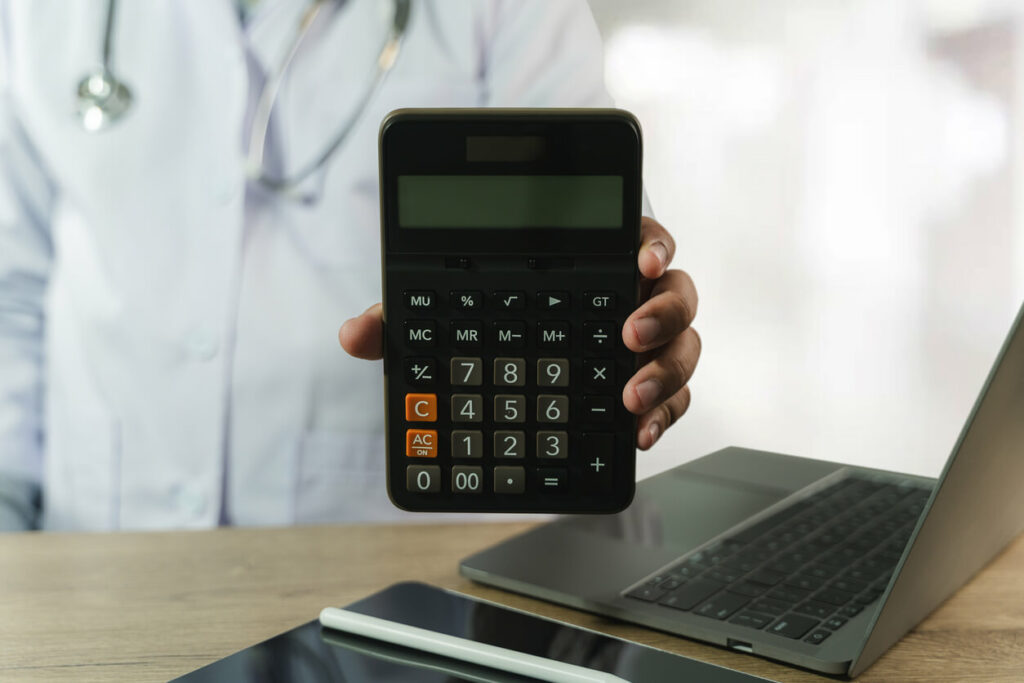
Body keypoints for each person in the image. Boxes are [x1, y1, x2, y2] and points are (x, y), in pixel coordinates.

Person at [0, 0, 699, 531]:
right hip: (97, 548)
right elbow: (13, 291)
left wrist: (621, 311)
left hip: (385, 570)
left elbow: (576, 226)